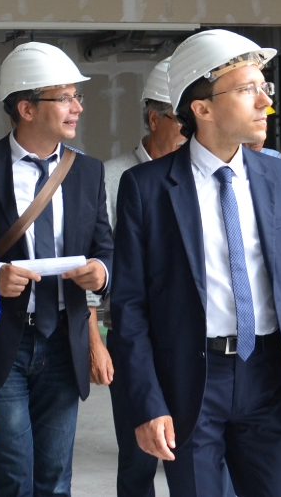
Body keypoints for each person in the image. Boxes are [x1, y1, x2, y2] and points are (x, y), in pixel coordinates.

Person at [110, 29, 281, 497]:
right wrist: (147, 402)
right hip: (192, 379)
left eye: (264, 88)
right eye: (247, 90)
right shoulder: (146, 189)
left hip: (267, 374)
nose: (265, 102)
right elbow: (129, 308)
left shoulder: (279, 177)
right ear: (202, 109)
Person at [0, 41, 113, 497]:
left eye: (76, 97)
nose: (77, 107)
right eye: (64, 98)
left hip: (63, 339)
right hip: (3, 339)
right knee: (11, 475)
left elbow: (105, 246)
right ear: (26, 108)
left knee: (56, 477)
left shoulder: (87, 171)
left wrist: (101, 272)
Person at [88, 57, 189, 497]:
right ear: (154, 119)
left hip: (189, 336)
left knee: (193, 453)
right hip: (132, 337)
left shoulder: (197, 175)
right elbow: (93, 258)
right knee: (137, 457)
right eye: (180, 121)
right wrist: (95, 342)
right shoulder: (112, 176)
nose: (189, 131)